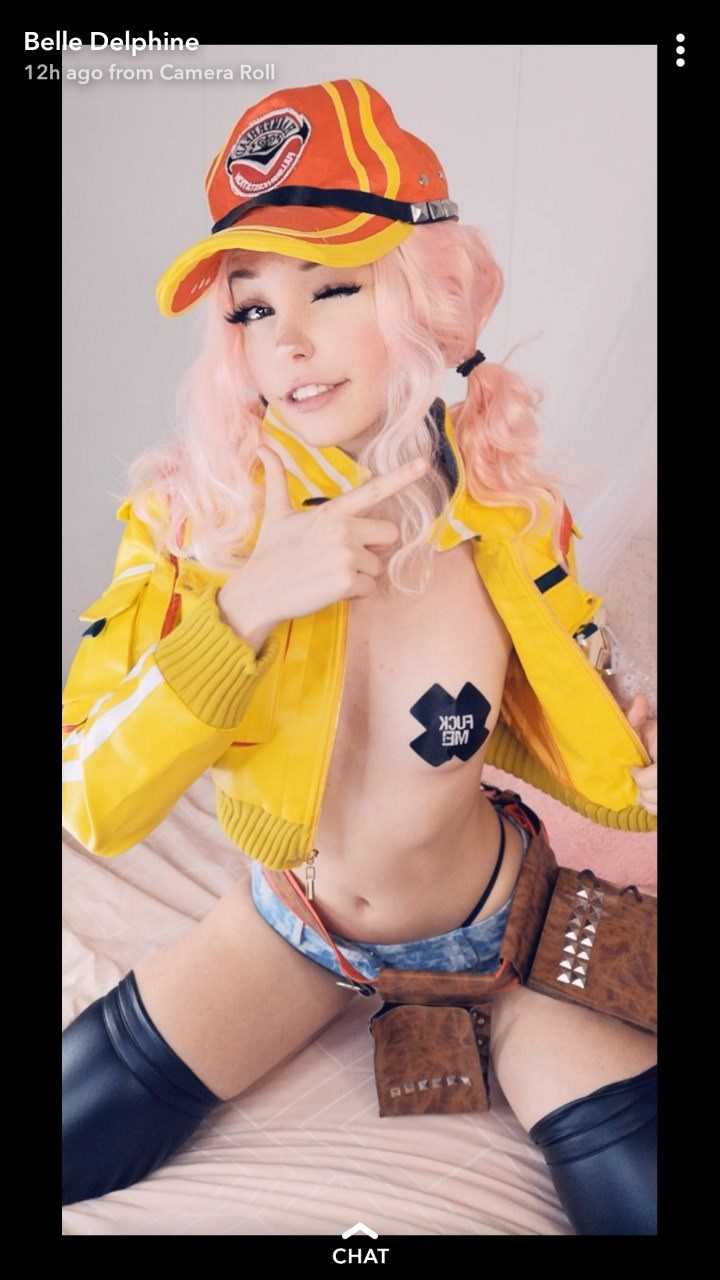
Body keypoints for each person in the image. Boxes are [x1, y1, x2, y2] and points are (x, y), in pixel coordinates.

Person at [61, 78, 658, 1233]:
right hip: (294, 931)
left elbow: (577, 656)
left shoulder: (505, 505)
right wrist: (244, 606)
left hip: (506, 925)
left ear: (423, 294)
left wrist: (621, 715)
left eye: (332, 287)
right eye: (251, 306)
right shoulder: (192, 527)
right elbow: (88, 792)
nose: (287, 339)